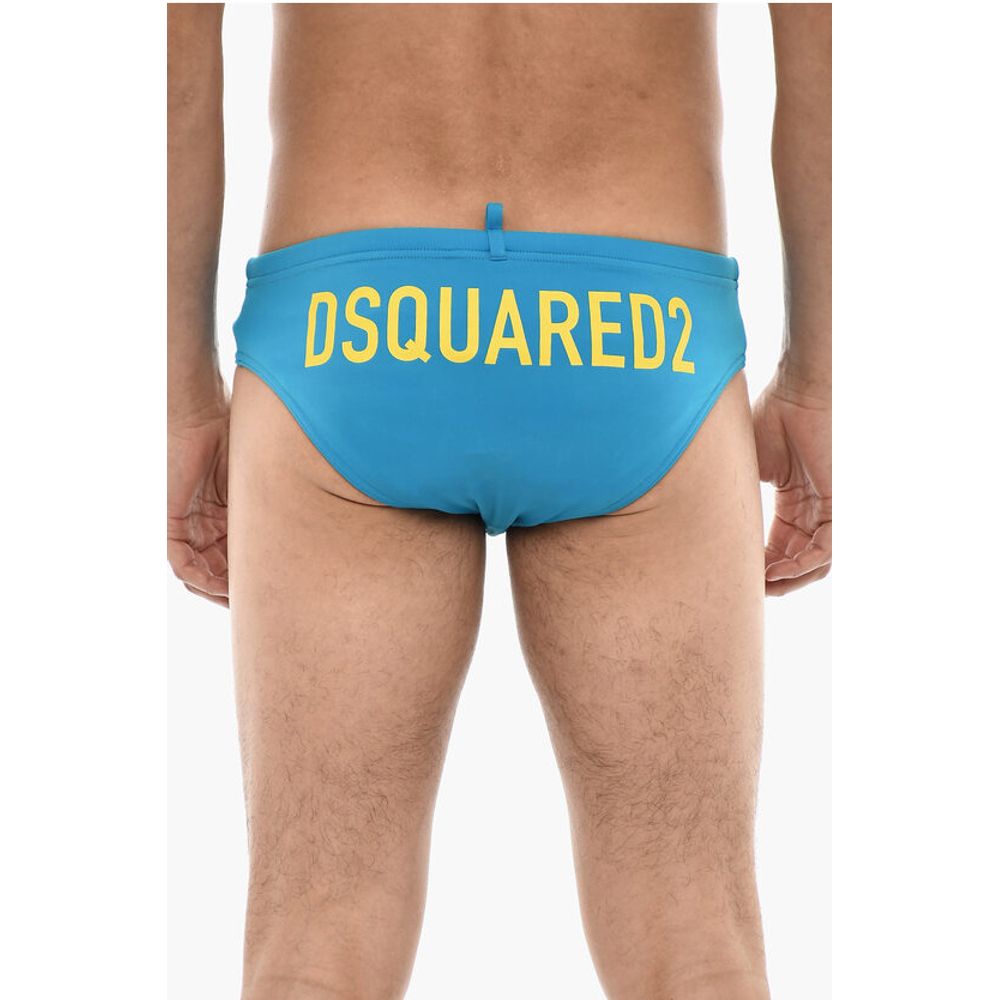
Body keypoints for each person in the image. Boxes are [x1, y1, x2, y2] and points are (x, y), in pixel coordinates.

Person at [167, 3, 831, 997]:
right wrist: (818, 376)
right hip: (634, 322)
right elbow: (822, 47)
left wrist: (183, 394)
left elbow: (174, 62)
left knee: (314, 947)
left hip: (353, 320)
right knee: (695, 950)